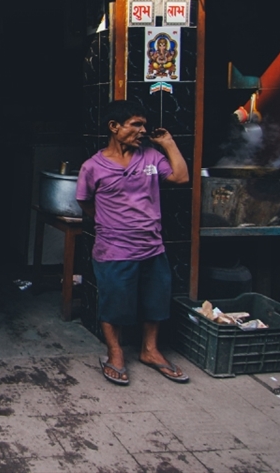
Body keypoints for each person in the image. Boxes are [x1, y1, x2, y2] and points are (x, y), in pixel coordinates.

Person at [76, 100, 190, 385]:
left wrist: (169, 144)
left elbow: (181, 176)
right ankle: (115, 353)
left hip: (152, 245)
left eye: (144, 125)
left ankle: (150, 350)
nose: (143, 130)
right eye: (135, 125)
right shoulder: (93, 166)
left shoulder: (151, 157)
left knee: (156, 300)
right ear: (114, 127)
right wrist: (110, 222)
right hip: (114, 247)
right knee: (113, 302)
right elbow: (85, 202)